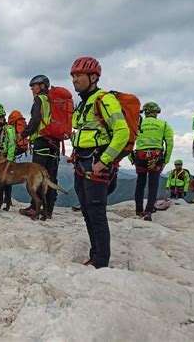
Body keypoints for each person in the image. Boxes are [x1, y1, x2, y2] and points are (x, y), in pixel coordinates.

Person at [70, 56, 130, 268]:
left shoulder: (104, 99)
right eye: (73, 76)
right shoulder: (85, 102)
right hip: (82, 161)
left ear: (93, 77)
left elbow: (122, 131)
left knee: (96, 213)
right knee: (87, 211)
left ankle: (100, 261)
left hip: (95, 163)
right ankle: (94, 254)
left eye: (79, 75)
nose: (75, 79)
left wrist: (104, 161)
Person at [19, 74, 60, 219]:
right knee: (51, 176)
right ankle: (48, 210)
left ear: (42, 86)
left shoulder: (40, 99)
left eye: (34, 86)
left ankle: (34, 208)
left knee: (36, 176)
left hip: (42, 141)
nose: (32, 89)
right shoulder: (54, 100)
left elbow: (35, 119)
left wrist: (24, 134)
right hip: (55, 143)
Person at [132, 102, 174, 220]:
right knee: (153, 184)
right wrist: (166, 160)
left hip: (140, 156)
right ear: (156, 112)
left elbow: (128, 140)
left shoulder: (137, 124)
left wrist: (131, 158)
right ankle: (149, 211)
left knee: (140, 183)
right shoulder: (164, 125)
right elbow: (170, 144)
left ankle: (138, 210)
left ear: (145, 112)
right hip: (156, 157)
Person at [0, 107, 17, 203]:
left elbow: (11, 144)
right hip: (0, 159)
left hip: (6, 158)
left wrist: (9, 160)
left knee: (6, 180)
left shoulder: (8, 129)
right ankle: (3, 199)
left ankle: (6, 200)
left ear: (2, 118)